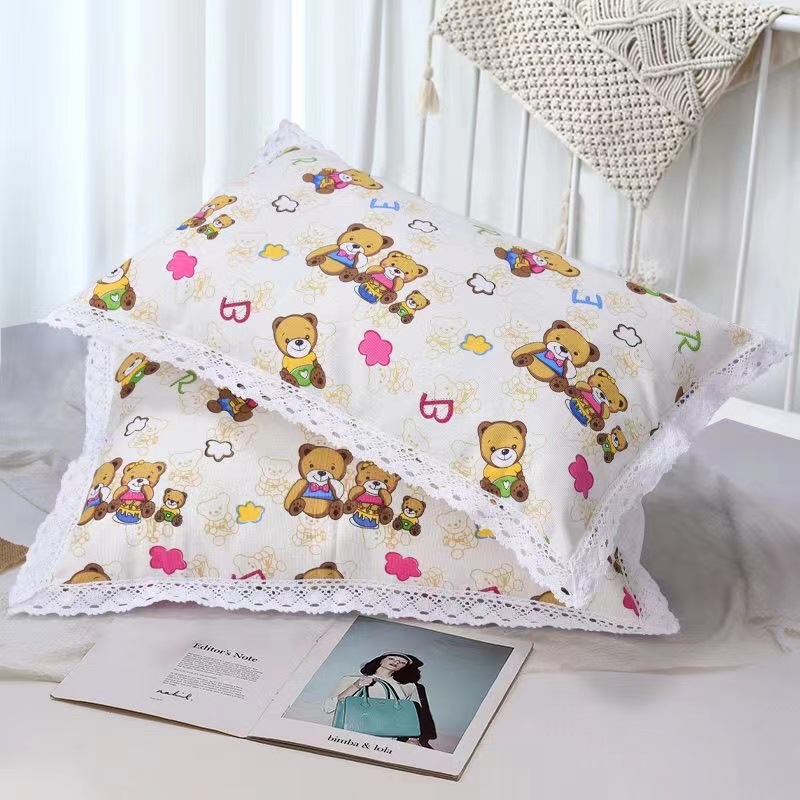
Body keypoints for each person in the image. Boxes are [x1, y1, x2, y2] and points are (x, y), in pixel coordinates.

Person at [324, 652, 435, 746]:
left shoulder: (409, 687)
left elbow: (414, 715)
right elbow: (328, 707)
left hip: (388, 740)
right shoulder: (350, 679)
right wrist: (356, 686)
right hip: (350, 736)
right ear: (380, 660)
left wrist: (413, 739)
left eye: (402, 662)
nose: (396, 662)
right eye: (391, 658)